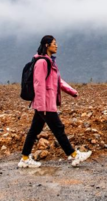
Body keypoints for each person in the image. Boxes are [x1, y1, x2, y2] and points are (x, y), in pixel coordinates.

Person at [18, 35, 92, 168]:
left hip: (45, 103)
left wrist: (72, 92)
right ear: (47, 45)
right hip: (45, 104)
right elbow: (38, 84)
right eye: (54, 43)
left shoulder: (49, 62)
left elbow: (58, 81)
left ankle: (24, 158)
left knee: (34, 130)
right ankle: (74, 155)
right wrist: (42, 106)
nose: (56, 46)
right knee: (58, 128)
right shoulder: (42, 62)